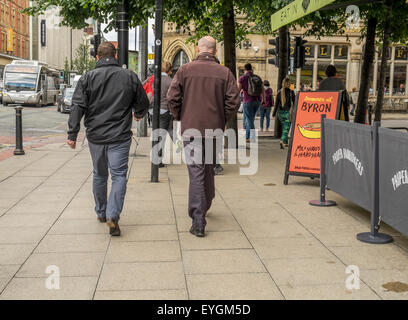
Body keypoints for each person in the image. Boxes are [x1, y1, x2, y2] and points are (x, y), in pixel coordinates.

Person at [67, 42, 149, 236]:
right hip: (119, 136)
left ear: (97, 57)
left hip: (95, 136)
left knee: (99, 174)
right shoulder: (128, 76)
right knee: (119, 175)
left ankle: (102, 212)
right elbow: (143, 101)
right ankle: (113, 215)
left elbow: (77, 106)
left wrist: (72, 134)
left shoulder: (87, 78)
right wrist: (138, 114)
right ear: (115, 56)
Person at [167, 36, 240, 237]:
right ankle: (206, 202)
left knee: (197, 171)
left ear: (198, 49)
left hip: (192, 128)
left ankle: (198, 219)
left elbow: (171, 98)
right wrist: (223, 119)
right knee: (208, 168)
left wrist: (181, 116)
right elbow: (234, 101)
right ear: (215, 52)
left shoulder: (184, 70)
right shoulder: (225, 73)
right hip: (214, 129)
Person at [238, 63, 265, 143]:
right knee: (250, 119)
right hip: (257, 101)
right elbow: (263, 90)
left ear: (244, 69)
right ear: (251, 69)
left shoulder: (242, 78)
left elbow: (238, 90)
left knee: (249, 120)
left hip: (247, 101)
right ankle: (247, 137)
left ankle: (251, 137)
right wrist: (264, 99)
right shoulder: (258, 77)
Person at [273, 77, 295, 149]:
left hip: (280, 113)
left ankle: (285, 143)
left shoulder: (279, 92)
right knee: (286, 129)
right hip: (288, 113)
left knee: (284, 128)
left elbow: (276, 104)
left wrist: (273, 113)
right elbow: (295, 103)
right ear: (289, 84)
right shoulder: (291, 92)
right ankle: (282, 141)